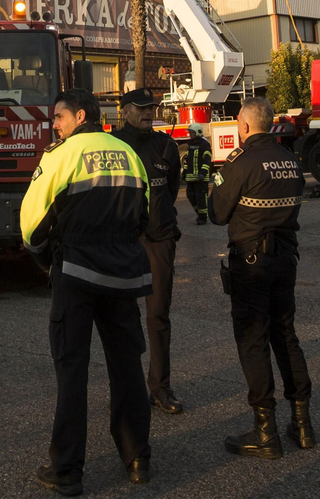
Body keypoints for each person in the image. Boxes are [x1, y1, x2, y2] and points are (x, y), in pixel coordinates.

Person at [21, 88, 153, 494]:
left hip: (75, 276)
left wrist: (46, 261)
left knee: (73, 371)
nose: (54, 125)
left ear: (80, 117)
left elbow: (30, 225)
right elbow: (145, 212)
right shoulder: (128, 153)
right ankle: (137, 459)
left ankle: (67, 471)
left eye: (58, 117)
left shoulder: (61, 156)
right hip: (124, 279)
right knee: (128, 368)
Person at [209, 97, 314, 459]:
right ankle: (302, 424)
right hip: (286, 259)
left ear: (245, 125)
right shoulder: (289, 159)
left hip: (252, 262)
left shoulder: (242, 162)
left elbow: (217, 214)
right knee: (285, 334)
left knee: (253, 340)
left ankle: (265, 432)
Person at [110, 87, 185, 416]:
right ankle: (125, 390)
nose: (148, 112)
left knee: (158, 317)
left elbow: (170, 190)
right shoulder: (114, 146)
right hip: (123, 242)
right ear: (124, 111)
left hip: (159, 240)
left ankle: (160, 387)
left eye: (151, 107)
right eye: (140, 108)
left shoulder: (167, 146)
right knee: (121, 320)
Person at [179, 123, 214, 226]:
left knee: (201, 197)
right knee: (190, 195)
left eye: (192, 132)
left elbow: (207, 160)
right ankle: (199, 213)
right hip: (191, 177)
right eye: (190, 132)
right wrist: (185, 173)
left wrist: (203, 173)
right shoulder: (190, 144)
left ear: (198, 132)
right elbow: (188, 161)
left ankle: (203, 218)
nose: (190, 134)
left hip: (201, 178)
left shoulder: (204, 145)